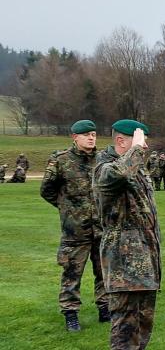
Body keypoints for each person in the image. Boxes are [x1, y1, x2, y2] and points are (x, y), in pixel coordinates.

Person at [93, 119, 165, 350]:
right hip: (123, 259)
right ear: (122, 141)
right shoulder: (106, 168)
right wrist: (134, 151)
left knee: (143, 318)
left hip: (145, 256)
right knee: (125, 319)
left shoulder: (135, 167)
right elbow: (117, 176)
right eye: (139, 141)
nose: (144, 147)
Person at [40, 120, 111, 331]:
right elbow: (47, 190)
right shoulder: (61, 160)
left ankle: (105, 308)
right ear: (75, 137)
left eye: (94, 134)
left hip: (101, 228)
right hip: (75, 231)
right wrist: (66, 209)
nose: (91, 138)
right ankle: (71, 313)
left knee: (104, 271)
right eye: (86, 135)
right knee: (72, 273)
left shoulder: (102, 160)